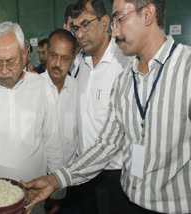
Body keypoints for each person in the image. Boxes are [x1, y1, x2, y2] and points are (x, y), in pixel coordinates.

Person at [23, 0, 191, 213]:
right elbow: (107, 144)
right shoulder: (125, 80)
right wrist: (56, 180)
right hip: (130, 199)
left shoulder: (186, 69)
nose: (115, 30)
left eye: (119, 19)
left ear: (148, 14)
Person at [0, 21, 63, 214]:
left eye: (11, 61)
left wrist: (58, 192)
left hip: (33, 198)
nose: (4, 69)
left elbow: (53, 143)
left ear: (24, 54)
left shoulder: (42, 87)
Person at [66, 0, 134, 213]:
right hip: (82, 173)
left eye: (86, 24)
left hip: (115, 175)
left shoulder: (125, 63)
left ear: (105, 23)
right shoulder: (79, 65)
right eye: (76, 28)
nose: (80, 34)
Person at [40, 29, 78, 213]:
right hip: (40, 183)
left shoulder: (79, 90)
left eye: (64, 58)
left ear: (73, 58)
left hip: (73, 182)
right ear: (46, 54)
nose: (57, 64)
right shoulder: (31, 89)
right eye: (53, 55)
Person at [64, 2, 82, 79]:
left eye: (78, 26)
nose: (74, 30)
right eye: (72, 25)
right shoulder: (58, 59)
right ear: (65, 27)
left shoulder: (90, 58)